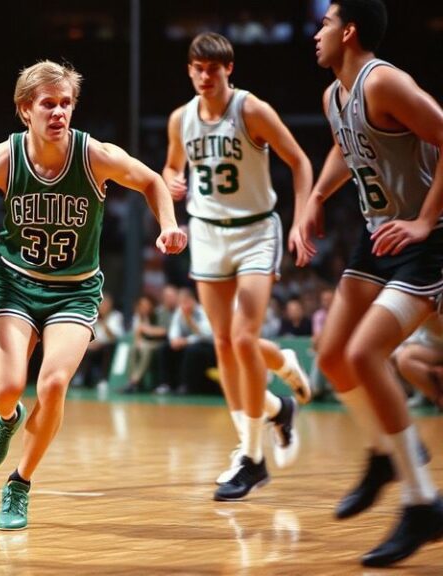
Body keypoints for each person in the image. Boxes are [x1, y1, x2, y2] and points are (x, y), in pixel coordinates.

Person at [0, 60, 187, 530]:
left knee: (54, 384)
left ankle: (19, 484)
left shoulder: (94, 155)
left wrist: (168, 224)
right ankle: (8, 417)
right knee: (5, 390)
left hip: (74, 292)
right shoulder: (3, 158)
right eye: (48, 104)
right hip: (15, 285)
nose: (59, 112)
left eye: (66, 103)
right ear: (25, 110)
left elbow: (151, 180)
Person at [300, 0, 443, 566]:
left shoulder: (386, 82)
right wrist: (316, 196)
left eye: (326, 23)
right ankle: (387, 455)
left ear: (350, 30)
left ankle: (422, 502)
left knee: (364, 354)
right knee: (332, 354)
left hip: (423, 242)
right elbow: (346, 143)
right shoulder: (336, 94)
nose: (318, 33)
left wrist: (426, 220)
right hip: (377, 236)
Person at [162, 32, 314, 500]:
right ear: (189, 70)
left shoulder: (251, 111)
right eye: (197, 67)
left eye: (214, 67)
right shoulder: (180, 120)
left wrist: (301, 219)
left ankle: (252, 458)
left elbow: (300, 161)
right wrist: (173, 182)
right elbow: (171, 169)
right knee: (225, 342)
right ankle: (276, 405)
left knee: (244, 338)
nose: (205, 75)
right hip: (206, 232)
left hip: (254, 231)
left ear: (230, 69)